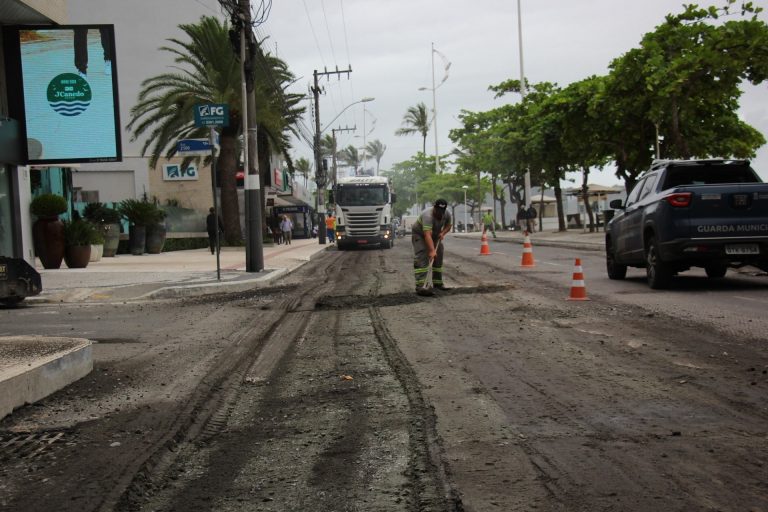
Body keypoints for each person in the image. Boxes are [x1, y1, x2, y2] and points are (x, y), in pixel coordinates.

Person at [412, 198, 452, 297]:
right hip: (420, 235)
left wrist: (443, 233)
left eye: (441, 211)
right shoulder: (427, 215)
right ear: (434, 207)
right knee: (422, 256)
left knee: (439, 255)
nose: (440, 213)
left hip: (434, 235)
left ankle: (438, 283)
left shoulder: (447, 213)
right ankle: (421, 286)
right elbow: (427, 235)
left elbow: (449, 225)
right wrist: (431, 251)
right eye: (438, 211)